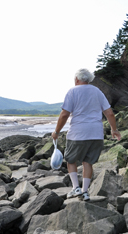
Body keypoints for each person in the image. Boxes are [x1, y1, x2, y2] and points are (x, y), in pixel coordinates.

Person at [51, 68, 121, 201]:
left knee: (71, 159)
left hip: (78, 133)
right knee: (88, 162)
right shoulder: (97, 91)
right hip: (96, 133)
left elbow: (64, 114)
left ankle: (76, 187)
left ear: (77, 79)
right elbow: (109, 113)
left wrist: (56, 132)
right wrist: (114, 129)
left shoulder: (72, 91)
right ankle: (85, 192)